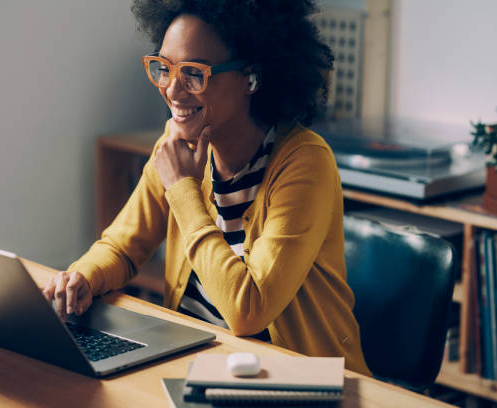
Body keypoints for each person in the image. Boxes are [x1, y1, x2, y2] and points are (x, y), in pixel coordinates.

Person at [43, 0, 371, 376]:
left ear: (251, 77)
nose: (173, 91)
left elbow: (247, 310)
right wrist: (84, 277)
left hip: (299, 381)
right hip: (197, 367)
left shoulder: (304, 162)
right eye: (163, 69)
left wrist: (183, 190)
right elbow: (122, 246)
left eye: (194, 74)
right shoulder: (175, 147)